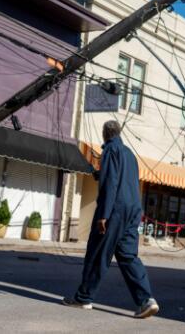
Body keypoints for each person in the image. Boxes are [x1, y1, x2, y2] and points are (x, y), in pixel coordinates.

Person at [62, 120, 159, 319]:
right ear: (119, 132)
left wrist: (104, 215)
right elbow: (124, 179)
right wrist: (100, 173)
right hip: (133, 210)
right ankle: (146, 300)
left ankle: (84, 298)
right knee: (129, 256)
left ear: (105, 134)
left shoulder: (110, 151)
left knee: (98, 253)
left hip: (114, 210)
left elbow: (111, 183)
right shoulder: (130, 154)